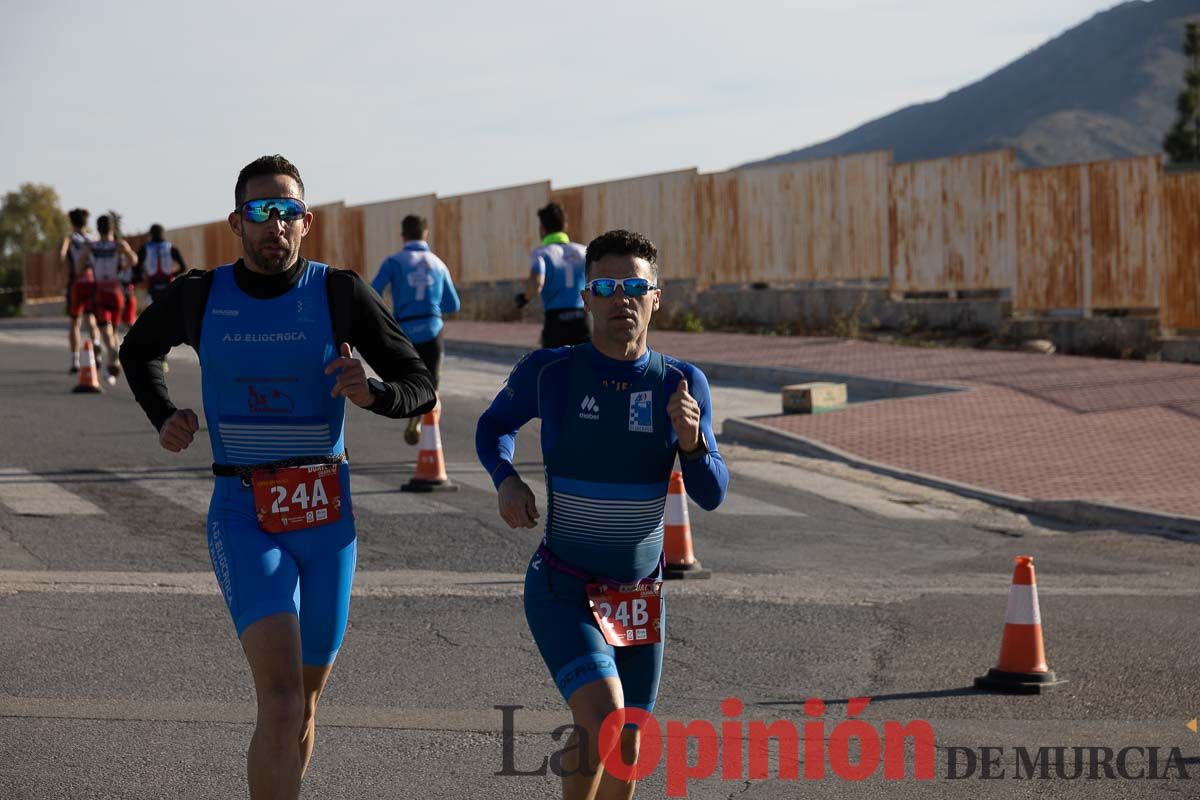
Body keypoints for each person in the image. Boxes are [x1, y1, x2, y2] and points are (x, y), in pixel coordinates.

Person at [119, 154, 436, 800]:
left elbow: (419, 382)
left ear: (306, 222)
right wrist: (164, 413)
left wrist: (373, 393)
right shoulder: (201, 295)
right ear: (237, 222)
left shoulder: (338, 293)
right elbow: (136, 348)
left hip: (326, 517)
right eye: (262, 212)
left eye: (288, 212)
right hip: (244, 512)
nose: (276, 225)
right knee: (282, 700)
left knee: (307, 704)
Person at [477, 229, 728, 799]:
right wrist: (506, 479)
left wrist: (691, 444)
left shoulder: (683, 382)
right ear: (586, 296)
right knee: (607, 721)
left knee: (624, 745)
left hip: (639, 596)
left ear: (656, 296)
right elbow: (493, 427)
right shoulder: (553, 373)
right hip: (564, 585)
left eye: (635, 286)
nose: (622, 298)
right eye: (607, 286)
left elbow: (711, 493)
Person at [370, 213, 460, 444]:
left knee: (410, 380)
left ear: (403, 235)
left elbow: (373, 293)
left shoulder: (393, 262)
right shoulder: (439, 264)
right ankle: (429, 437)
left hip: (406, 330)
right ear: (425, 234)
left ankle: (413, 414)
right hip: (432, 328)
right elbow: (453, 304)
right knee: (433, 385)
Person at [519, 202, 591, 348]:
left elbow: (537, 283)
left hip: (556, 321)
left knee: (554, 368)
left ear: (542, 228)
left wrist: (524, 298)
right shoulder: (584, 251)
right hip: (583, 319)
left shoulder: (541, 253)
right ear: (565, 226)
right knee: (586, 368)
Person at [80, 214, 137, 384]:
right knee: (111, 332)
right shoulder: (116, 245)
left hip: (105, 292)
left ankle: (114, 362)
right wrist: (124, 264)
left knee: (108, 332)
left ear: (98, 229)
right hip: (114, 292)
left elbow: (79, 266)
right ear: (112, 228)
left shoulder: (95, 246)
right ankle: (114, 363)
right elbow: (134, 260)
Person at [60, 208, 99, 373]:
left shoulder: (70, 238)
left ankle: (75, 360)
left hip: (76, 281)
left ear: (72, 222)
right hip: (91, 279)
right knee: (91, 318)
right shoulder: (93, 238)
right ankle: (97, 352)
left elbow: (61, 255)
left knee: (75, 321)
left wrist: (67, 269)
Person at [138, 223, 188, 305]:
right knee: (168, 313)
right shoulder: (171, 247)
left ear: (150, 234)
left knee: (153, 314)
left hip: (152, 285)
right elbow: (183, 267)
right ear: (162, 233)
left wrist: (141, 278)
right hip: (168, 283)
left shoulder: (145, 248)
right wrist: (173, 274)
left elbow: (137, 267)